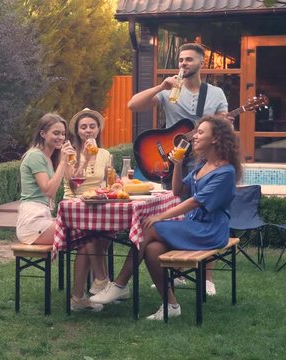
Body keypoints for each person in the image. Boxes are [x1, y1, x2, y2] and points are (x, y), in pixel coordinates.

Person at [89, 116, 242, 320]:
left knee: (149, 226)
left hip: (210, 231)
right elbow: (178, 190)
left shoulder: (225, 172)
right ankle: (171, 305)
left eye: (200, 132)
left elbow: (194, 202)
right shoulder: (202, 165)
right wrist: (177, 164)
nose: (194, 136)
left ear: (216, 139)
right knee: (152, 249)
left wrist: (160, 216)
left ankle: (119, 284)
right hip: (193, 226)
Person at [128, 42, 230, 295]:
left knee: (204, 210)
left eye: (189, 60)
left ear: (201, 63)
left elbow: (224, 128)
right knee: (173, 206)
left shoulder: (215, 94)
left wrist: (221, 126)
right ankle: (174, 271)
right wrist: (161, 86)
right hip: (173, 156)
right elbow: (133, 105)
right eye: (181, 60)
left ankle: (207, 279)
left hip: (202, 157)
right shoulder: (171, 88)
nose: (183, 64)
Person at [16, 113, 102, 312]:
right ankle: (96, 286)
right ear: (43, 133)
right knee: (88, 235)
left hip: (42, 218)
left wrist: (82, 158)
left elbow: (74, 182)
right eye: (56, 133)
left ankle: (83, 294)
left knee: (88, 236)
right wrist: (63, 162)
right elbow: (48, 189)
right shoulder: (36, 155)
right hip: (32, 223)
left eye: (63, 134)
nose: (61, 138)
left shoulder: (49, 156)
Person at [62, 108, 111, 298]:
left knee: (103, 233)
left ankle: (86, 292)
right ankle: (101, 281)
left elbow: (108, 182)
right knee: (89, 236)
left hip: (96, 205)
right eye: (83, 127)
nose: (88, 130)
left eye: (92, 126)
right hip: (74, 207)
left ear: (98, 130)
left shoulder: (105, 154)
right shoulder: (69, 152)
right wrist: (85, 159)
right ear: (77, 131)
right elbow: (73, 186)